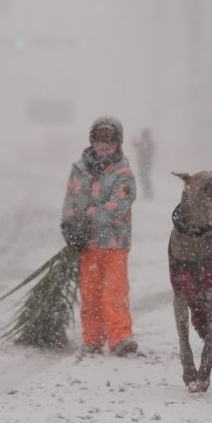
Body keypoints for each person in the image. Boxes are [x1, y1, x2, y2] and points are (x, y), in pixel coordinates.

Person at [61, 116, 138, 357]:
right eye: (99, 139)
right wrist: (70, 225)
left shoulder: (123, 172)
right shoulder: (79, 170)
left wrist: (90, 218)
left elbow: (120, 204)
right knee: (90, 292)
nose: (104, 145)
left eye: (110, 140)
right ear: (91, 140)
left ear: (118, 143)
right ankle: (92, 338)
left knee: (114, 292)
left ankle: (120, 337)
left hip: (114, 243)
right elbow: (71, 200)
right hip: (89, 245)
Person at [132, 128, 155, 200]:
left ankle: (148, 192)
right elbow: (136, 145)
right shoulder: (146, 142)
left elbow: (141, 148)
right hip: (143, 163)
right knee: (144, 177)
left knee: (144, 177)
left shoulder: (147, 142)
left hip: (144, 164)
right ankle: (147, 192)